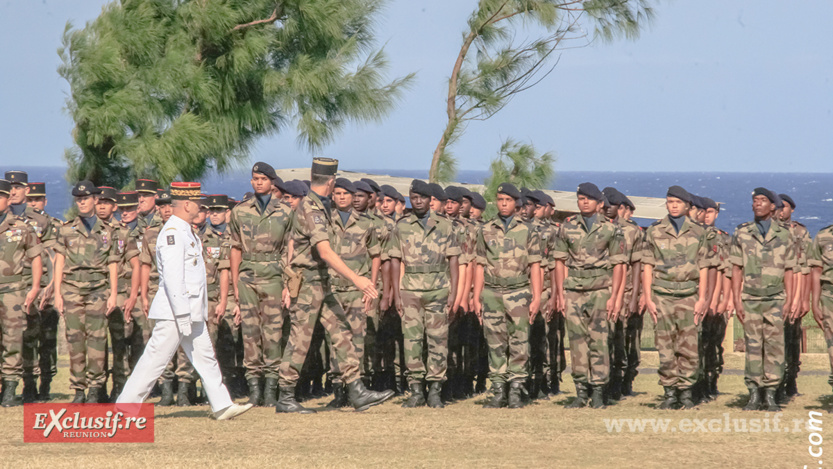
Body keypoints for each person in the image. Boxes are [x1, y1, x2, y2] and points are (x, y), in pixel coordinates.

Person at [117, 182, 252, 421]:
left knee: (206, 357)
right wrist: (181, 313)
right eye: (197, 203)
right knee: (155, 358)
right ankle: (125, 407)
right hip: (175, 312)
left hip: (191, 309)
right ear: (187, 204)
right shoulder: (172, 233)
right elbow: (172, 278)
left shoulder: (185, 231)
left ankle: (222, 404)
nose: (201, 207)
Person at [276, 158, 393, 414]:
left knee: (341, 331)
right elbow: (325, 251)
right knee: (300, 339)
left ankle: (356, 389)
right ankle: (285, 395)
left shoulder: (319, 206)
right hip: (308, 284)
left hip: (321, 281)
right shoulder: (313, 209)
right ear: (331, 182)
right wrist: (357, 278)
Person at [554, 182, 626, 409]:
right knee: (576, 342)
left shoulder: (611, 229)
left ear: (599, 203)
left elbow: (619, 265)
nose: (584, 202)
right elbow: (559, 261)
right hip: (574, 290)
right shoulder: (567, 227)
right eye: (581, 199)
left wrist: (615, 297)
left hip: (600, 290)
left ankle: (598, 391)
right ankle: (580, 390)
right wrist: (561, 293)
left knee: (599, 341)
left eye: (589, 199)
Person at [640, 186, 714, 409]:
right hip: (662, 294)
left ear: (687, 206)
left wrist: (702, 298)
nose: (673, 206)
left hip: (688, 294)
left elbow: (704, 266)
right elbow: (647, 265)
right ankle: (670, 392)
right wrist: (648, 297)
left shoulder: (699, 232)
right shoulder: (655, 231)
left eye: (678, 202)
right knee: (665, 346)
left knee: (688, 346)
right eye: (670, 202)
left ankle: (686, 392)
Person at [390, 180, 460, 408]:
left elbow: (454, 260)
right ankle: (416, 390)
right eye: (414, 197)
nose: (418, 201)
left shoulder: (445, 225)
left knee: (438, 341)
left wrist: (454, 292)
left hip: (438, 289)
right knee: (411, 341)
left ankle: (435, 390)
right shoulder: (402, 226)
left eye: (422, 197)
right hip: (410, 289)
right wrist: (396, 293)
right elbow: (394, 260)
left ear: (431, 200)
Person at [472, 182, 542, 408]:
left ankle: (516, 389)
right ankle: (498, 389)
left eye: (508, 200)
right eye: (500, 200)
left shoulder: (528, 230)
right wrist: (477, 296)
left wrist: (537, 297)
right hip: (492, 291)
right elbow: (480, 264)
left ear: (516, 203)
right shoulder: (485, 229)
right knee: (495, 342)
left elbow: (535, 265)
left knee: (519, 341)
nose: (503, 204)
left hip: (518, 291)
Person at [229, 162, 293, 407]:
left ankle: (271, 388)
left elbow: (290, 248)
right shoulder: (240, 211)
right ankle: (254, 387)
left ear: (272, 182)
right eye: (255, 179)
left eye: (263, 179)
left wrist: (288, 284)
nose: (258, 182)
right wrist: (235, 282)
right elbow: (235, 248)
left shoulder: (285, 212)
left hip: (274, 276)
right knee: (250, 333)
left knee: (273, 333)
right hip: (247, 276)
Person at [730, 188, 796, 412]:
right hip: (750, 298)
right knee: (753, 345)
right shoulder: (742, 233)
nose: (757, 204)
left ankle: (770, 393)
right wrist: (736, 299)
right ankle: (754, 393)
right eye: (755, 200)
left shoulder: (785, 234)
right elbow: (736, 268)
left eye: (763, 200)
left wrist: (789, 300)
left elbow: (789, 270)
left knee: (775, 347)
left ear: (772, 206)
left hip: (775, 298)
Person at [52, 182, 119, 403]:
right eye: (78, 199)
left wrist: (113, 293)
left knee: (97, 341)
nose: (81, 202)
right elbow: (59, 262)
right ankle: (79, 389)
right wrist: (57, 294)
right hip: (72, 290)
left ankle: (95, 388)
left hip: (98, 290)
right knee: (75, 341)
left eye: (85, 198)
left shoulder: (107, 231)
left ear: (95, 200)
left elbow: (112, 263)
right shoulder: (66, 229)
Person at [324, 178, 382, 407]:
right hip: (332, 289)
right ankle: (338, 392)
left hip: (357, 291)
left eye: (345, 194)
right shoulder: (326, 221)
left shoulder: (366, 223)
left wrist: (370, 287)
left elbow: (375, 256)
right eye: (337, 193)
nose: (341, 197)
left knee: (357, 339)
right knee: (334, 341)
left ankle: (356, 390)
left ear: (352, 196)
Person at [5, 171, 55, 403]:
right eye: (10, 187)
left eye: (18, 187)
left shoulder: (40, 221)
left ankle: (31, 385)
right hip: (10, 285)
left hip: (34, 286)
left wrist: (50, 285)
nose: (13, 191)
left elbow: (51, 255)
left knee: (32, 337)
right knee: (10, 337)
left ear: (26, 190)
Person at [0, 179, 43, 407]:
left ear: (8, 200)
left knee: (13, 339)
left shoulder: (21, 227)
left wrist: (35, 287)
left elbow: (36, 256)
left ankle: (9, 389)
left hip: (13, 290)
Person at [96, 187, 141, 402]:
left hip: (120, 293)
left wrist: (133, 296)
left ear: (114, 206)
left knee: (120, 343)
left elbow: (136, 265)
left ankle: (120, 388)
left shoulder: (122, 232)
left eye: (106, 202)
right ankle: (97, 388)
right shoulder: (88, 231)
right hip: (94, 292)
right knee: (96, 345)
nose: (101, 206)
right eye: (99, 202)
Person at [24, 181, 61, 402]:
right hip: (25, 287)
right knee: (27, 339)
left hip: (47, 289)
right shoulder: (19, 224)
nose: (33, 204)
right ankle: (28, 385)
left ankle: (45, 384)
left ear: (45, 201)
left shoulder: (54, 226)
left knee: (47, 340)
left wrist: (53, 286)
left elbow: (57, 258)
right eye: (30, 200)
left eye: (37, 200)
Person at [778, 193, 811, 401]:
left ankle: (791, 380)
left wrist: (802, 299)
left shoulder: (800, 231)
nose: (780, 210)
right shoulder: (769, 231)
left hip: (795, 289)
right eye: (778, 206)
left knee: (792, 338)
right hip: (774, 289)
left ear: (792, 209)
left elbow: (806, 265)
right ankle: (775, 382)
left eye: (784, 207)